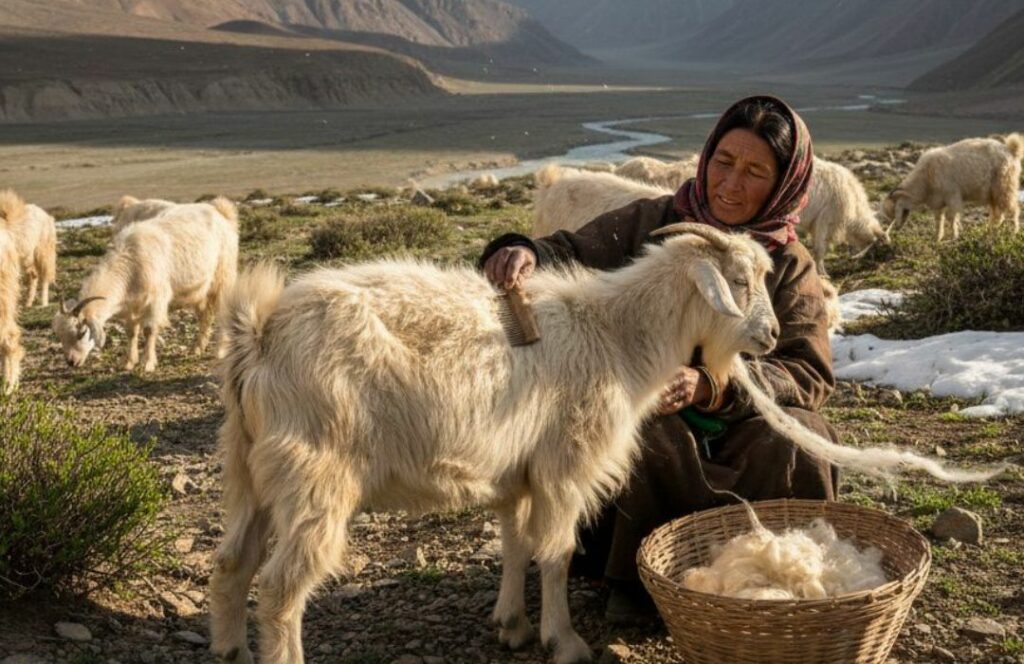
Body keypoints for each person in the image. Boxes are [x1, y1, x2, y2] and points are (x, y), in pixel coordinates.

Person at [480, 95, 839, 624]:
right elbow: (573, 249)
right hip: (658, 417)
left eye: (755, 172)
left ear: (785, 183)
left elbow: (807, 371)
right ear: (705, 158)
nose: (731, 184)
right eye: (724, 163)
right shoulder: (660, 222)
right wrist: (523, 252)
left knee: (805, 441)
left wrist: (712, 386)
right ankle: (634, 579)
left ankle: (775, 575)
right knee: (634, 431)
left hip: (741, 422)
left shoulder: (789, 265)